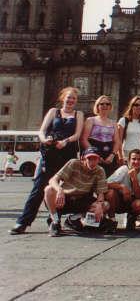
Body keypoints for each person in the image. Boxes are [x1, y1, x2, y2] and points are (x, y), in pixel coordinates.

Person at [11, 87, 84, 235]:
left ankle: (54, 221)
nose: (71, 100)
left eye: (74, 98)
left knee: (63, 189)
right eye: (68, 97)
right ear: (63, 98)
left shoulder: (79, 114)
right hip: (49, 154)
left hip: (67, 155)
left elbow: (77, 135)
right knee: (38, 188)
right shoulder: (53, 112)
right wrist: (45, 140)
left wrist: (65, 141)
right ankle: (23, 222)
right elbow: (42, 131)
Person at [43, 147, 109, 237]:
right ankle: (55, 221)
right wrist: (59, 190)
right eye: (89, 158)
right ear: (83, 158)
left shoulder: (100, 171)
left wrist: (100, 204)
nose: (92, 162)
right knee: (49, 189)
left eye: (95, 159)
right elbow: (52, 180)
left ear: (99, 160)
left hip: (81, 200)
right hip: (64, 198)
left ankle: (73, 219)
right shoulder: (74, 163)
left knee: (105, 205)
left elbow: (100, 193)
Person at [105, 149, 140, 231]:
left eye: (139, 159)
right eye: (134, 159)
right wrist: (122, 187)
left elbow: (138, 195)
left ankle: (132, 217)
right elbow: (106, 183)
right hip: (119, 200)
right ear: (129, 160)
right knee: (110, 193)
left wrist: (134, 179)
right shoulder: (123, 169)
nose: (136, 162)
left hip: (132, 201)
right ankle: (112, 220)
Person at [81, 95, 121, 177]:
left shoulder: (114, 123)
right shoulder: (91, 120)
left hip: (108, 155)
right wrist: (94, 154)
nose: (105, 106)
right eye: (102, 104)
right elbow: (83, 139)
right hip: (92, 154)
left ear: (110, 107)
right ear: (97, 106)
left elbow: (117, 141)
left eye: (107, 104)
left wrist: (112, 155)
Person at [117, 95, 140, 165]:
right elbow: (118, 140)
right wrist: (120, 156)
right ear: (131, 106)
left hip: (139, 154)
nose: (139, 107)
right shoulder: (123, 120)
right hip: (127, 153)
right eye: (136, 105)